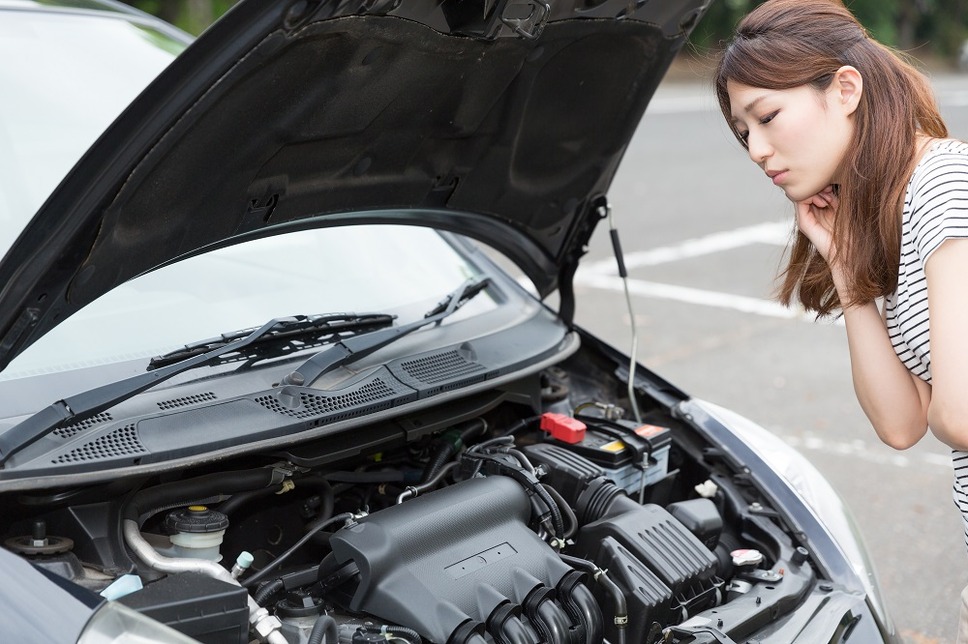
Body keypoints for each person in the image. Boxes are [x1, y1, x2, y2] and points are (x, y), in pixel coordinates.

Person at [713, 0, 968, 637]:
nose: (757, 149)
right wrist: (853, 281)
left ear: (846, 88)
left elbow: (959, 415)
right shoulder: (902, 203)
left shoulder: (944, 184)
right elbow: (902, 424)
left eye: (767, 117)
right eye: (745, 133)